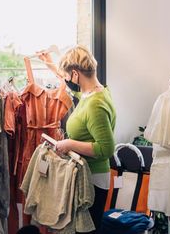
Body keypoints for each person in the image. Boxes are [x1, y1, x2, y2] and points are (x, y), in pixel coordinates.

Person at [39, 45, 116, 233]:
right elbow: (76, 90)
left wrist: (69, 144)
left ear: (75, 74)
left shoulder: (94, 105)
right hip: (89, 175)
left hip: (93, 179)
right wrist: (52, 66)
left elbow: (106, 149)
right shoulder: (95, 92)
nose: (66, 80)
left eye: (67, 75)